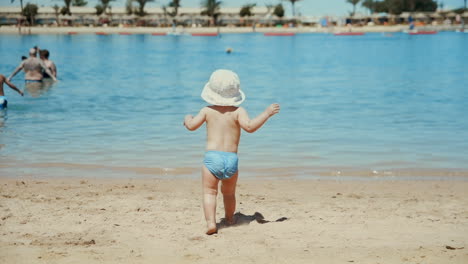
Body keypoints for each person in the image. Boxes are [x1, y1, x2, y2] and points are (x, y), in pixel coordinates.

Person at [183, 69, 280, 235]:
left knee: (209, 192)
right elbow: (250, 127)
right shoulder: (239, 111)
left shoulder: (207, 110)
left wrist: (187, 118)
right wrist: (266, 114)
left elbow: (191, 126)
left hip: (212, 158)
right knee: (229, 194)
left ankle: (211, 223)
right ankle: (229, 219)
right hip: (231, 160)